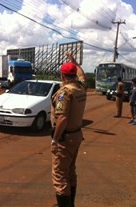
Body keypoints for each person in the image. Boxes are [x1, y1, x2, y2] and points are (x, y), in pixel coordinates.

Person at [50, 53, 86, 207]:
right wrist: (75, 62)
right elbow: (82, 74)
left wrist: (55, 140)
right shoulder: (81, 87)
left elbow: (62, 118)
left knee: (59, 175)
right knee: (70, 170)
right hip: (77, 135)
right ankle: (70, 204)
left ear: (62, 76)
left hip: (65, 139)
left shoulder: (64, 93)